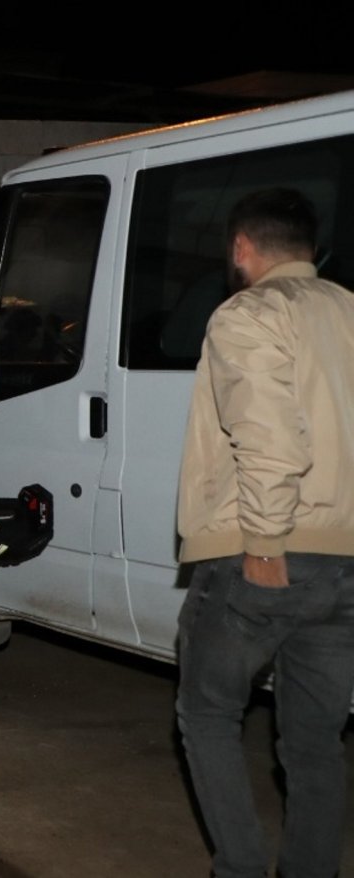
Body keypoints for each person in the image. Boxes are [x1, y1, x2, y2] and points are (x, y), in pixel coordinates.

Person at [175, 187, 354, 878]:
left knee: (208, 713)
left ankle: (240, 870)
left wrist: (265, 544)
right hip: (344, 561)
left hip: (267, 549)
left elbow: (272, 439)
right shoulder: (348, 311)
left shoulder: (248, 313)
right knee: (316, 743)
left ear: (243, 249)